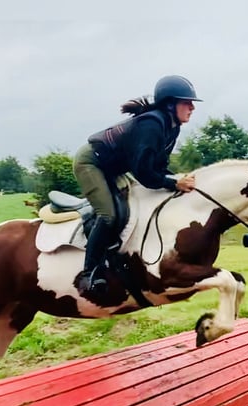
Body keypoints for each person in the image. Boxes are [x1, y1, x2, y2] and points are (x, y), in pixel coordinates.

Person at [73, 74, 201, 296]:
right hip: (90, 163)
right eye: (186, 102)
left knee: (133, 205)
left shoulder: (172, 126)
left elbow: (158, 167)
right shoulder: (151, 125)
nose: (192, 108)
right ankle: (89, 273)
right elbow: (144, 173)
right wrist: (173, 183)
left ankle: (118, 257)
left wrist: (176, 180)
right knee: (109, 215)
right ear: (170, 104)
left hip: (114, 168)